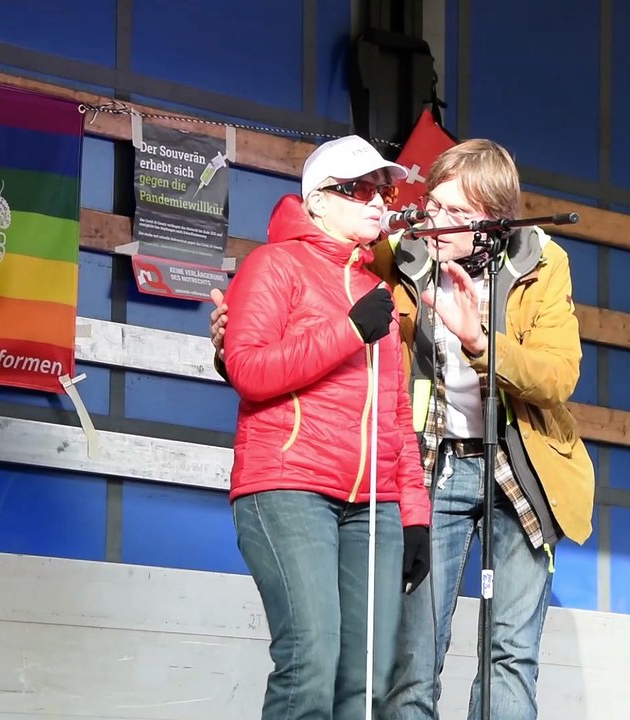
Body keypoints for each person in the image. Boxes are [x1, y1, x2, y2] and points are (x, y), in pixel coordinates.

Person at [212, 138, 595, 720]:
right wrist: (233, 334)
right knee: (407, 661)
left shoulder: (542, 262)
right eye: (431, 204)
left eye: (456, 213)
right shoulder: (400, 254)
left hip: (520, 463)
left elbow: (557, 376)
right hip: (432, 460)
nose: (431, 220)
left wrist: (479, 342)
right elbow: (309, 291)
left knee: (510, 655)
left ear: (494, 219)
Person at [220, 134, 433, 720]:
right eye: (357, 188)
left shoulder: (379, 294)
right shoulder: (273, 265)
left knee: (365, 682)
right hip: (288, 486)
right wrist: (348, 331)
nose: (377, 200)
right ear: (315, 201)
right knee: (310, 660)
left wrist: (413, 514)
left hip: (373, 503)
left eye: (382, 189)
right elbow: (248, 369)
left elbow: (395, 415)